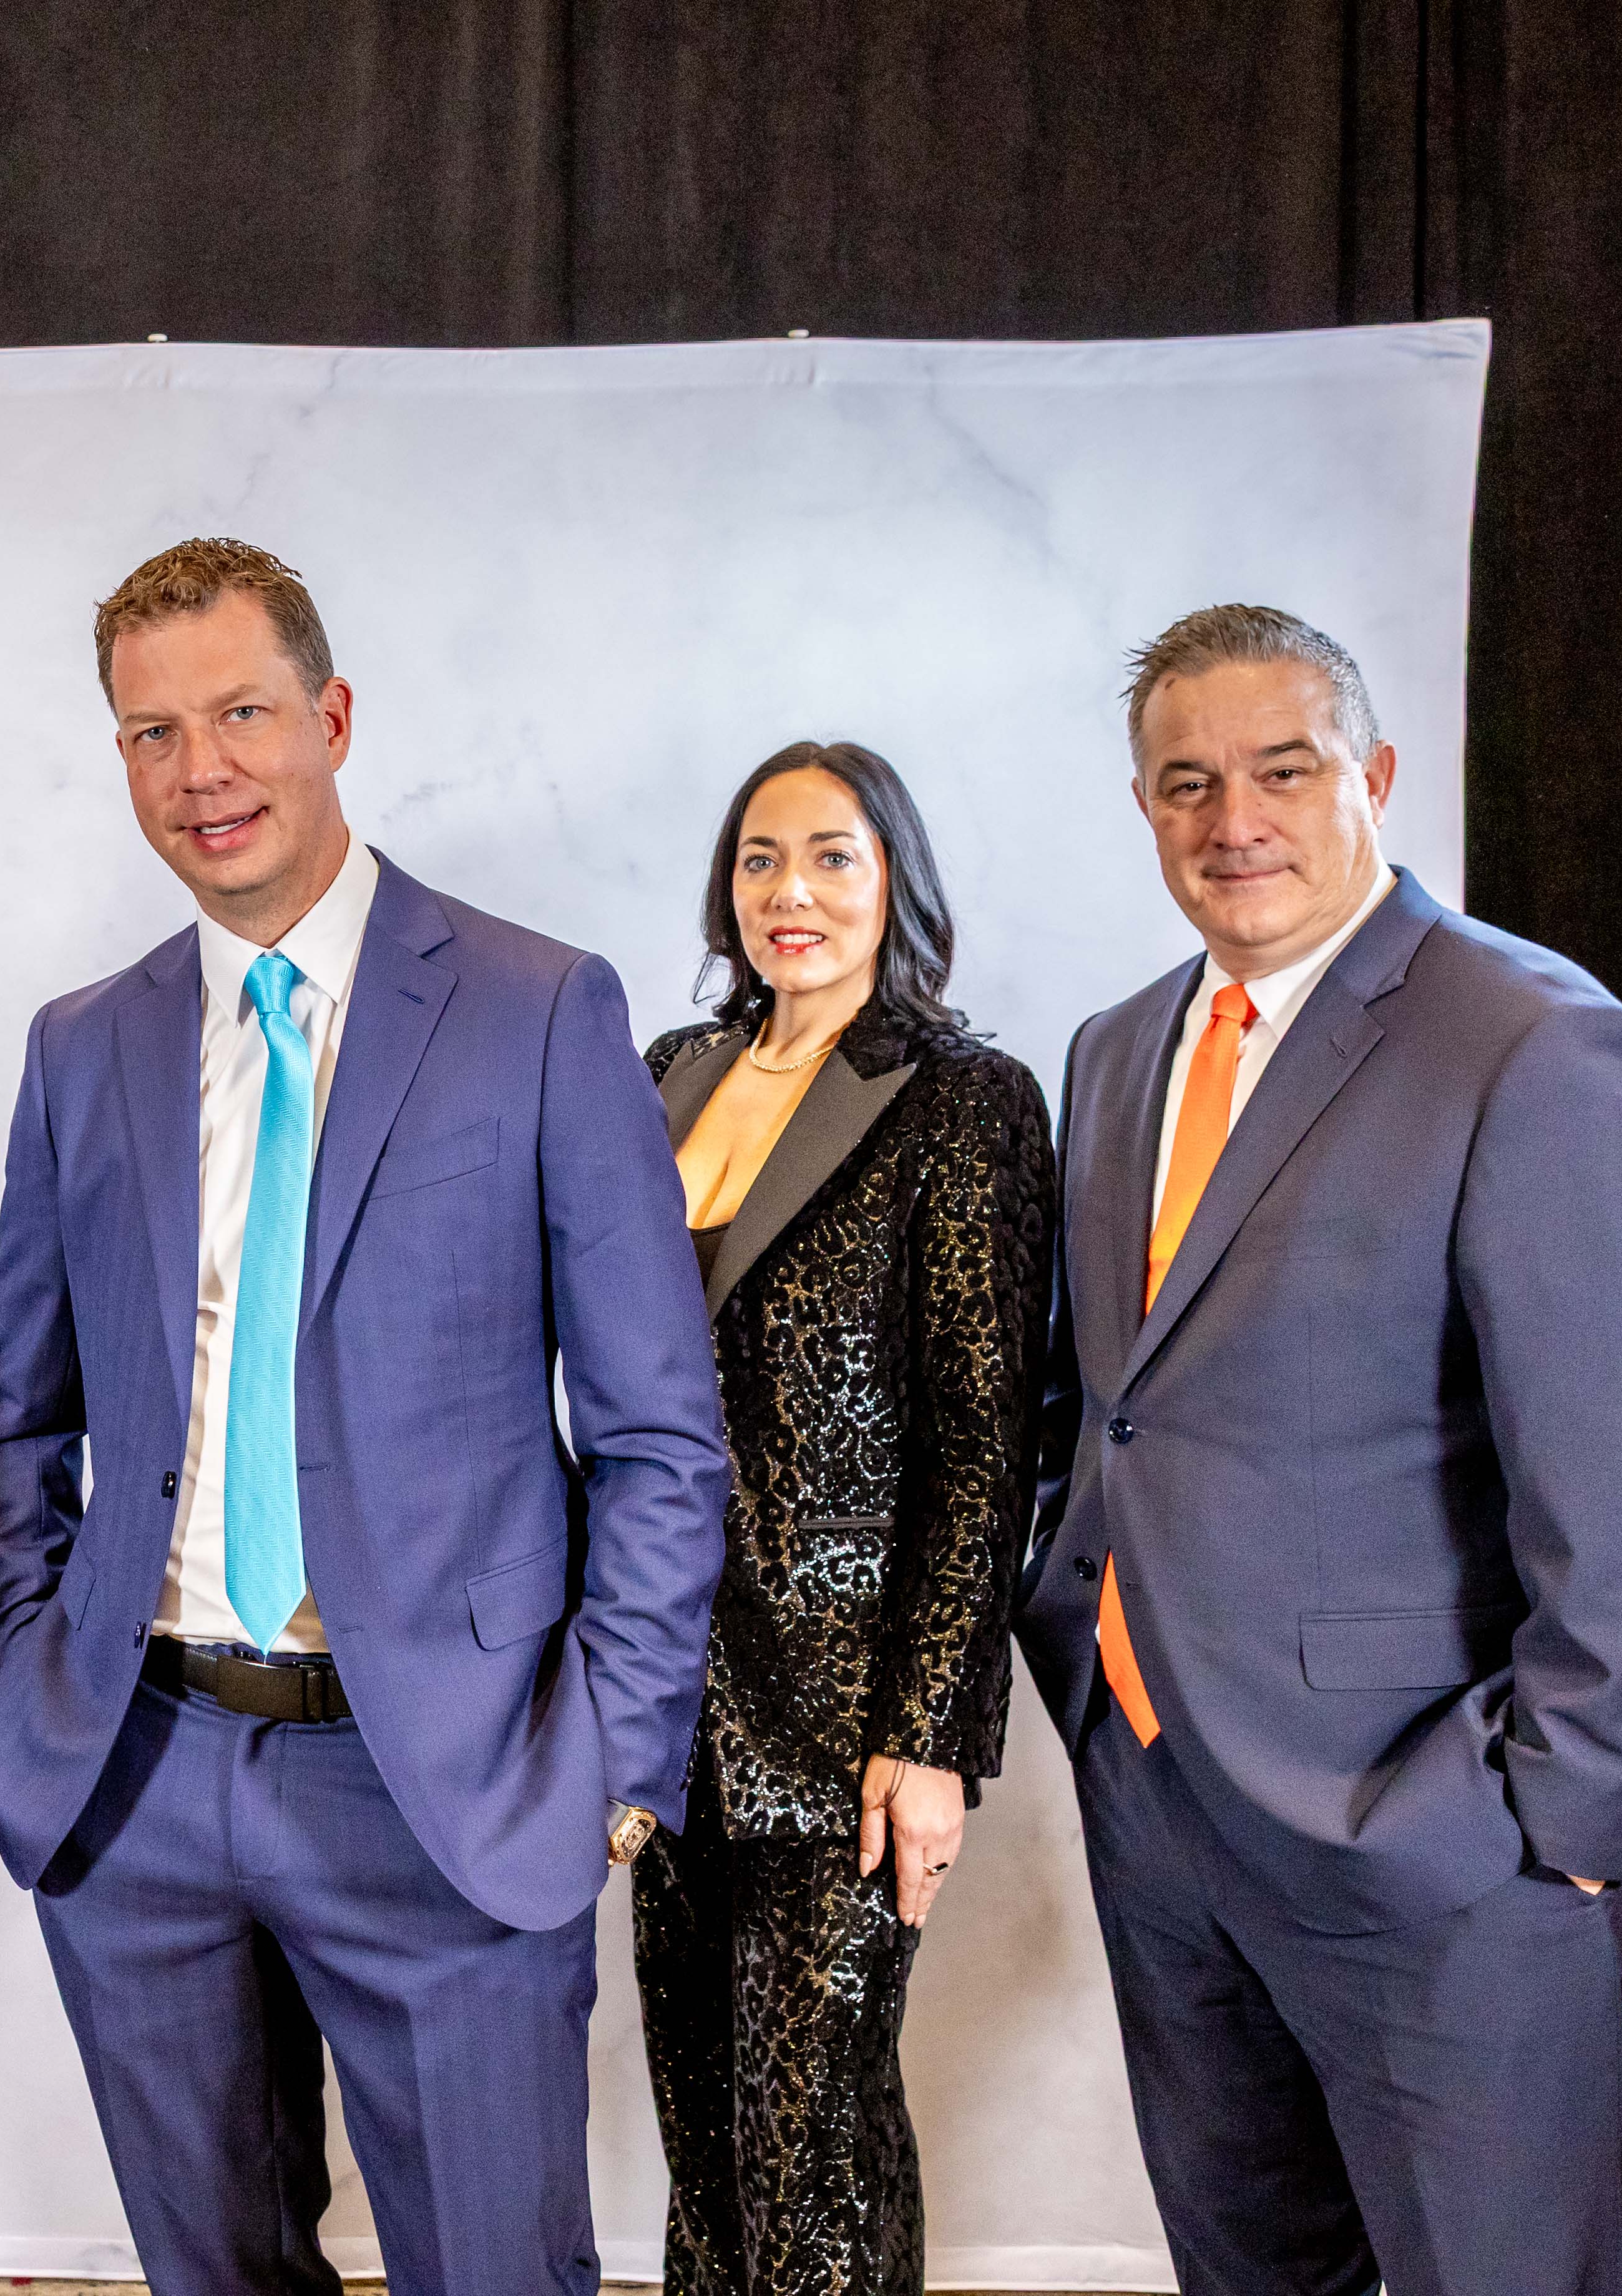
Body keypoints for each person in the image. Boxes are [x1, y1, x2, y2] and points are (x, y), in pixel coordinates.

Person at [0, 538, 730, 2294]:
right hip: (137, 1778)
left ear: (333, 716)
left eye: (241, 713)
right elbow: (16, 1419)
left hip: (444, 1780)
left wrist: (614, 1763)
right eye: (153, 733)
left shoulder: (539, 1008)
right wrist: (28, 1689)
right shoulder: (83, 1046)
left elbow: (659, 1434)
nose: (202, 769)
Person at [1019, 605, 1622, 2296]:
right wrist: (1084, 1652)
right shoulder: (1118, 1052)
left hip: (1443, 1846)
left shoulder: (1540, 1047)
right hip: (1162, 1813)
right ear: (1143, 807)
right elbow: (1107, 1402)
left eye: (1285, 770)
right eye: (1187, 783)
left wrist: (1561, 1824)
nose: (1235, 820)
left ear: (1378, 776)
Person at [633, 742, 1052, 2294]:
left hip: (844, 1722)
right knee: (701, 2132)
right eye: (760, 858)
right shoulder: (669, 1071)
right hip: (664, 1697)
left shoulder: (964, 1101)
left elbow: (985, 1446)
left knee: (813, 2149)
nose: (789, 891)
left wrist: (931, 1738)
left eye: (831, 856)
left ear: (896, 883)